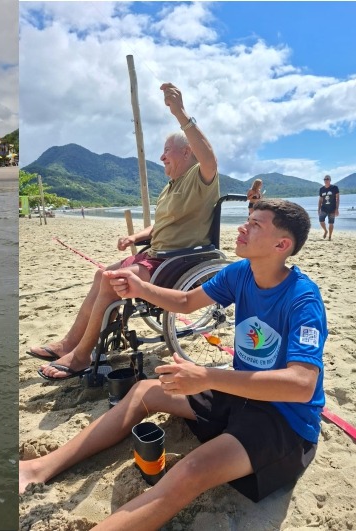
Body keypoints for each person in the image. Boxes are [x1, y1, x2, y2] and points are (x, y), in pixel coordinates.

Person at [20, 199, 326, 530]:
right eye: (247, 220)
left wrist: (206, 377)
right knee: (142, 392)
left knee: (191, 471)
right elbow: (186, 301)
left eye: (255, 225)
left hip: (284, 423)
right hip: (241, 395)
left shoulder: (303, 299)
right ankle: (38, 469)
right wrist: (140, 288)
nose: (242, 227)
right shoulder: (241, 272)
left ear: (282, 245)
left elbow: (301, 383)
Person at [26, 83, 220, 380]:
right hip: (155, 255)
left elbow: (210, 158)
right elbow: (163, 225)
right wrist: (135, 237)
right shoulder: (170, 187)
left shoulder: (200, 179)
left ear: (187, 152)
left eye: (167, 150)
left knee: (111, 283)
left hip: (177, 261)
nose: (162, 156)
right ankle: (69, 342)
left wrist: (179, 112)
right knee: (101, 274)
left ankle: (81, 357)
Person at [318, 175, 339, 241]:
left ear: (330, 180)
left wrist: (337, 209)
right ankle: (325, 231)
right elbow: (320, 200)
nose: (326, 180)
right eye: (325, 179)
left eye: (327, 179)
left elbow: (337, 199)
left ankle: (329, 236)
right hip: (323, 208)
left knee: (331, 223)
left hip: (332, 209)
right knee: (321, 221)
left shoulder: (335, 188)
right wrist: (318, 209)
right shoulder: (321, 189)